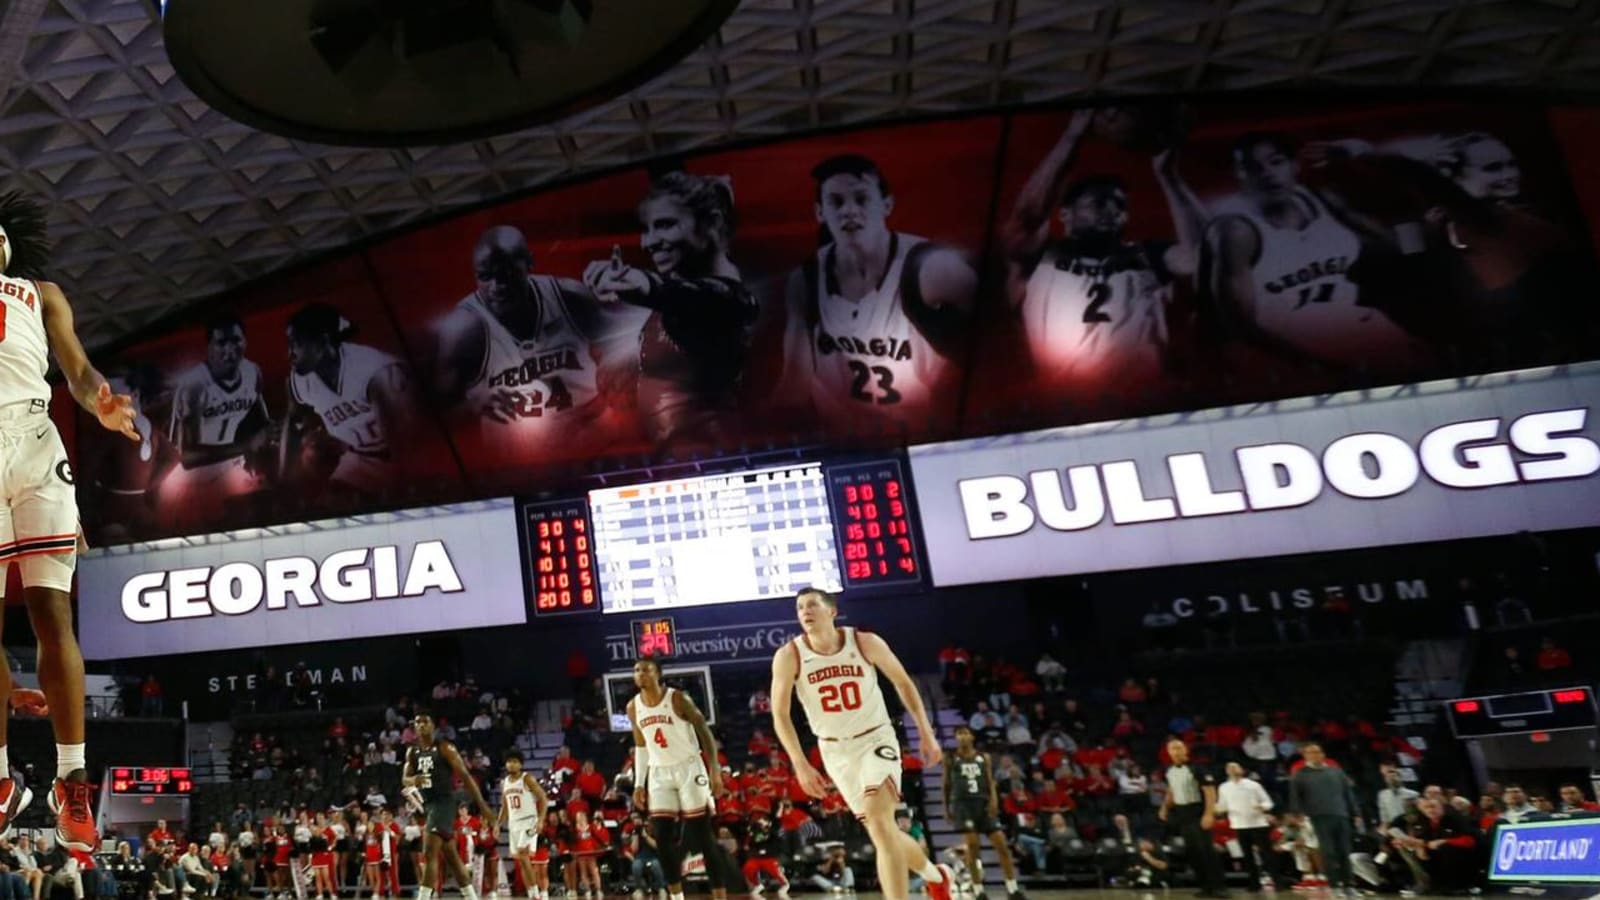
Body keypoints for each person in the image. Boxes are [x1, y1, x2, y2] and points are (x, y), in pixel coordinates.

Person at [0, 191, 141, 849]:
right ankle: (3, 779)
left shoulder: (40, 292)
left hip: (34, 439)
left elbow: (79, 372)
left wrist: (101, 404)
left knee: (51, 612)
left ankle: (72, 779)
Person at [1004, 107, 1207, 409]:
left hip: (1148, 402)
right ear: (1066, 215)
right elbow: (1027, 216)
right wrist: (1072, 137)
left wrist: (1169, 178)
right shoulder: (1040, 256)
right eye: (1099, 202)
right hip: (1066, 409)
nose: (1113, 211)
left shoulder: (1145, 254)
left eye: (1120, 205)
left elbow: (1202, 257)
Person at [769, 587, 955, 900]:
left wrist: (925, 730)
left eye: (812, 604)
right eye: (800, 607)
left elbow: (902, 682)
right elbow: (780, 714)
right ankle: (936, 877)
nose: (805, 611)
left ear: (832, 611)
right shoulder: (789, 655)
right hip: (834, 750)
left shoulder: (865, 642)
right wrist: (800, 762)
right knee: (884, 834)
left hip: (876, 738)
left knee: (881, 824)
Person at [772, 154, 975, 438]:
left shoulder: (931, 266)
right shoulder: (806, 278)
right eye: (836, 202)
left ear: (887, 205)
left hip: (923, 437)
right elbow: (794, 381)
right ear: (820, 212)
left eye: (861, 199)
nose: (849, 211)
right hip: (842, 445)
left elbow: (994, 345)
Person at [1206, 132, 1420, 370]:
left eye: (1276, 162)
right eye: (1251, 167)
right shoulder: (1236, 231)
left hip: (1363, 330)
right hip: (1299, 351)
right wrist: (1319, 366)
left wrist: (1364, 152)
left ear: (1294, 166)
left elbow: (1406, 247)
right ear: (1238, 176)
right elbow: (1239, 327)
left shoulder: (1322, 200)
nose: (1267, 173)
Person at [582, 172, 758, 448]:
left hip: (712, 459)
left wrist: (642, 284)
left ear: (711, 222)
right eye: (648, 229)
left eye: (665, 225)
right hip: (680, 462)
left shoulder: (726, 300)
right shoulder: (678, 297)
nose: (649, 242)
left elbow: (697, 299)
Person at [432, 226, 632, 457]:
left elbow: (625, 344)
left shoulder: (569, 296)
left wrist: (623, 301)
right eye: (485, 277)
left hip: (593, 440)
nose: (497, 286)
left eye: (506, 274)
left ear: (529, 263)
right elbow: (438, 412)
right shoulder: (463, 326)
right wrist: (473, 405)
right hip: (519, 461)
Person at [278, 302, 421, 495]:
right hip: (360, 457)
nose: (290, 354)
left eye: (296, 344)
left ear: (323, 340)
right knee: (331, 500)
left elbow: (405, 448)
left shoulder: (374, 371)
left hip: (408, 456)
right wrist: (283, 482)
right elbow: (293, 420)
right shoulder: (300, 380)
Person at [627, 655, 738, 900]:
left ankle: (719, 895)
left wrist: (715, 770)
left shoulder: (677, 698)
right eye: (636, 670)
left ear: (657, 674)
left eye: (645, 670)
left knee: (703, 835)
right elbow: (641, 746)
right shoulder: (633, 706)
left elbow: (704, 731)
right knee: (662, 836)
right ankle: (677, 896)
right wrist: (638, 784)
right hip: (659, 773)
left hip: (689, 768)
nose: (639, 674)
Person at [167, 313, 273, 511]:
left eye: (236, 341)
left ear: (245, 342)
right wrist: (246, 446)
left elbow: (264, 424)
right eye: (221, 343)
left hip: (230, 466)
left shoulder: (252, 372)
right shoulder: (195, 385)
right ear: (209, 348)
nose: (229, 350)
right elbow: (187, 456)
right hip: (190, 478)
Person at [404, 708, 495, 900]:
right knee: (452, 857)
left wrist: (483, 805)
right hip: (428, 805)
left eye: (425, 722)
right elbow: (405, 778)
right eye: (417, 722)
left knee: (428, 852)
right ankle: (471, 896)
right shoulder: (412, 752)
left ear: (433, 726)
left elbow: (466, 777)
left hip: (444, 803)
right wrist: (413, 781)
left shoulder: (445, 748)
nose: (421, 725)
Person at [944, 725, 1024, 900]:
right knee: (973, 847)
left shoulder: (983, 757)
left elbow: (990, 781)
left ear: (972, 736)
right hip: (963, 805)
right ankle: (978, 889)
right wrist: (947, 809)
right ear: (955, 738)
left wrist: (994, 801)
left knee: (1002, 845)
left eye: (965, 733)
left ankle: (1012, 888)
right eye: (959, 734)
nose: (962, 736)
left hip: (983, 803)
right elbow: (946, 785)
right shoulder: (951, 758)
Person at [1288, 742, 1362, 900]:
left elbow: (1347, 793)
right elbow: (1295, 797)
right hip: (1318, 816)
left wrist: (1355, 812)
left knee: (1344, 851)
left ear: (1323, 754)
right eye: (1311, 752)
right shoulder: (1300, 774)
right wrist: (1297, 813)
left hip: (1341, 814)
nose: (1315, 755)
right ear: (1305, 755)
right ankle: (1335, 886)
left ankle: (1349, 885)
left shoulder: (1336, 772)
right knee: (1328, 852)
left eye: (1317, 752)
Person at [1159, 738, 1228, 898]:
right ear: (1168, 752)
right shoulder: (1169, 771)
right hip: (1183, 813)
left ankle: (1219, 886)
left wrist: (1208, 814)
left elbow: (1209, 791)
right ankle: (1205, 886)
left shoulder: (1197, 768)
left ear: (1185, 750)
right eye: (1172, 749)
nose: (1176, 751)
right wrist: (1164, 807)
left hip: (1198, 811)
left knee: (1207, 850)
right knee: (1194, 852)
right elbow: (1171, 791)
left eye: (1178, 748)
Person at [499, 750, 550, 900]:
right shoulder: (505, 782)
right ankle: (531, 893)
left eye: (515, 761)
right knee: (521, 860)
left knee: (523, 854)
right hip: (513, 823)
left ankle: (535, 894)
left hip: (529, 821)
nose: (511, 764)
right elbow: (504, 806)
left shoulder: (527, 778)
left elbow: (543, 798)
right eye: (509, 761)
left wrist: (541, 819)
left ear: (521, 764)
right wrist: (497, 824)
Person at [1216, 762, 1274, 892]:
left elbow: (1268, 801)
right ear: (1226, 771)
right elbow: (1222, 804)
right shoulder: (1224, 787)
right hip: (1239, 824)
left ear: (1241, 770)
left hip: (1258, 823)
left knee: (1267, 854)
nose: (1232, 770)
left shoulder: (1253, 785)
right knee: (1247, 856)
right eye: (1229, 768)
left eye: (1235, 767)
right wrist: (1217, 809)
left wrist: (1262, 807)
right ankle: (1254, 883)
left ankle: (1277, 881)